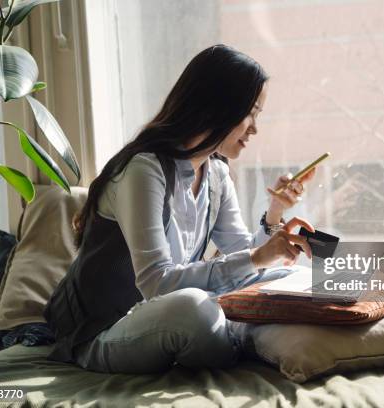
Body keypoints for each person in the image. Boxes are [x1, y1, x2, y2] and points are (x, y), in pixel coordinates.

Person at [43, 44, 316, 374]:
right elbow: (156, 284)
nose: (255, 128)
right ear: (218, 106)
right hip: (106, 330)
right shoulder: (144, 170)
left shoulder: (215, 173)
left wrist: (274, 215)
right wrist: (257, 258)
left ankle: (247, 333)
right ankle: (246, 336)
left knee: (298, 276)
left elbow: (242, 255)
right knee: (194, 311)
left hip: (169, 315)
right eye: (251, 113)